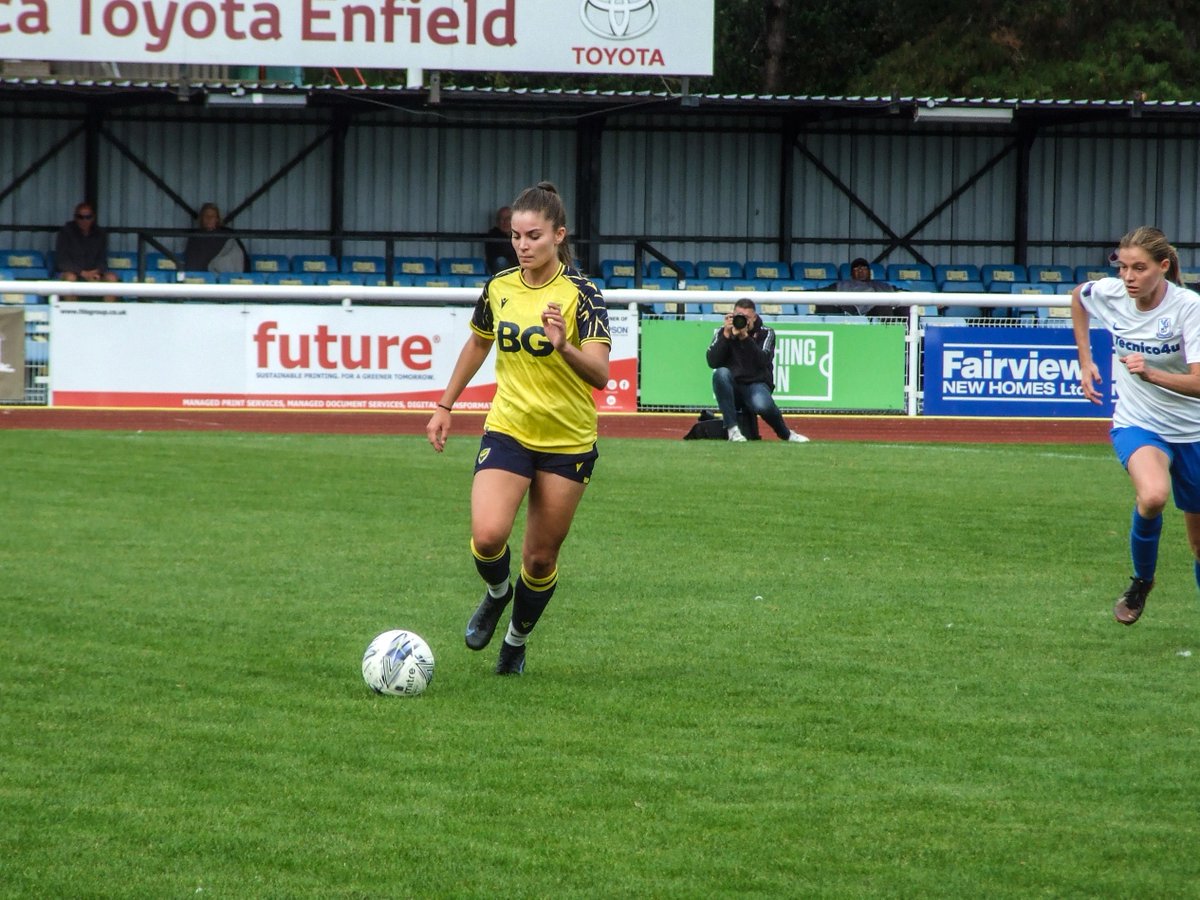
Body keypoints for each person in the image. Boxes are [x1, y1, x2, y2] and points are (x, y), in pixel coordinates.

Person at [426, 182, 611, 675]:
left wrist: (564, 346)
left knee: (540, 560)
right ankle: (495, 594)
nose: (523, 246)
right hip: (508, 429)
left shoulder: (582, 294)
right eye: (515, 236)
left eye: (533, 236)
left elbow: (599, 374)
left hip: (567, 442)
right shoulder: (499, 287)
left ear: (558, 236)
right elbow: (477, 344)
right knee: (487, 537)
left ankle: (515, 642)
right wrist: (445, 405)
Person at [1071, 226, 1200, 625]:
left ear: (1163, 267)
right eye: (1123, 267)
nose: (1128, 277)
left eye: (1139, 268)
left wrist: (1153, 373)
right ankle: (1142, 581)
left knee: (1199, 546)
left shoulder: (1188, 308)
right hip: (1140, 423)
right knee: (1153, 496)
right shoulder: (1111, 294)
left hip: (1193, 431)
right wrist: (1085, 358)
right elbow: (1078, 296)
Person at [705, 297, 810, 444]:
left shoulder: (766, 333)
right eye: (738, 317)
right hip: (732, 384)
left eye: (746, 318)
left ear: (754, 317)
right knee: (720, 373)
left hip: (756, 383)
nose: (742, 321)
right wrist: (726, 337)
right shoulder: (723, 332)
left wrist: (745, 338)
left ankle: (786, 434)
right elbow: (712, 361)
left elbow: (762, 360)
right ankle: (733, 431)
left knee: (763, 405)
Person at [55, 202, 119, 300]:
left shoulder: (100, 233)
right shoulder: (66, 232)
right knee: (69, 278)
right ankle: (71, 313)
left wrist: (96, 272)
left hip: (94, 275)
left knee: (111, 277)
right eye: (80, 217)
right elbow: (62, 262)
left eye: (88, 217)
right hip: (74, 273)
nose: (84, 220)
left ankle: (109, 313)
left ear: (93, 217)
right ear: (75, 218)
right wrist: (82, 273)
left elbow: (102, 260)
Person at [183, 203, 247, 274]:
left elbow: (237, 261)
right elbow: (191, 264)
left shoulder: (228, 235)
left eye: (212, 216)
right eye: (206, 216)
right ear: (201, 218)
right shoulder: (194, 237)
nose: (209, 218)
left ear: (217, 219)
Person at [831, 256, 906, 316]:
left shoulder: (882, 285)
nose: (860, 270)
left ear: (869, 272)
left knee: (898, 306)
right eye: (856, 268)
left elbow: (900, 292)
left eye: (864, 268)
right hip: (851, 315)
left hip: (876, 315)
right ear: (851, 273)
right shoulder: (842, 285)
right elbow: (823, 293)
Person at [483, 205, 518, 275]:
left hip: (519, 267)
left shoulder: (520, 233)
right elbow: (499, 253)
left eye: (507, 218)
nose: (503, 222)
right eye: (500, 219)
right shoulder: (493, 234)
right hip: (501, 269)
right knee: (501, 261)